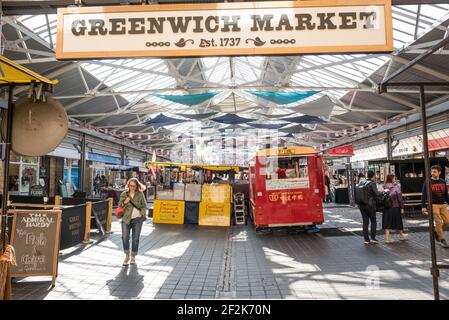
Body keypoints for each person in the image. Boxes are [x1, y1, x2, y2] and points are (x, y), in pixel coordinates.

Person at [119, 178, 148, 266]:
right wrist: (125, 202)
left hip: (137, 219)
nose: (132, 187)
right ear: (128, 185)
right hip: (126, 219)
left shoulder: (140, 194)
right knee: (125, 237)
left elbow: (144, 205)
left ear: (137, 186)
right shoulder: (124, 194)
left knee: (135, 238)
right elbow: (120, 205)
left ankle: (133, 256)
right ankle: (127, 255)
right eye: (131, 185)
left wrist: (141, 213)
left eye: (134, 186)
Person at [422, 165, 449, 248]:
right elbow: (424, 194)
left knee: (447, 221)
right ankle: (442, 240)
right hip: (433, 204)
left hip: (443, 204)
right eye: (432, 171)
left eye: (434, 172)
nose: (432, 173)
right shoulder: (428, 181)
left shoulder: (442, 181)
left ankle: (436, 231)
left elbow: (446, 195)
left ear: (439, 172)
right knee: (438, 222)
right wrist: (423, 206)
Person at [357, 171, 384, 245]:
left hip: (362, 205)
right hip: (370, 205)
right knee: (373, 220)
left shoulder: (363, 183)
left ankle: (366, 239)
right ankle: (373, 238)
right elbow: (376, 193)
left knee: (365, 222)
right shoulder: (372, 183)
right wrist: (384, 191)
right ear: (374, 176)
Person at [383, 174, 406, 243]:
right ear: (392, 179)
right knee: (398, 221)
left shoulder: (385, 186)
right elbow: (400, 198)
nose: (395, 179)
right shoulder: (396, 187)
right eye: (394, 178)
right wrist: (402, 207)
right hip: (395, 206)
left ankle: (387, 238)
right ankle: (401, 235)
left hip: (386, 206)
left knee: (387, 222)